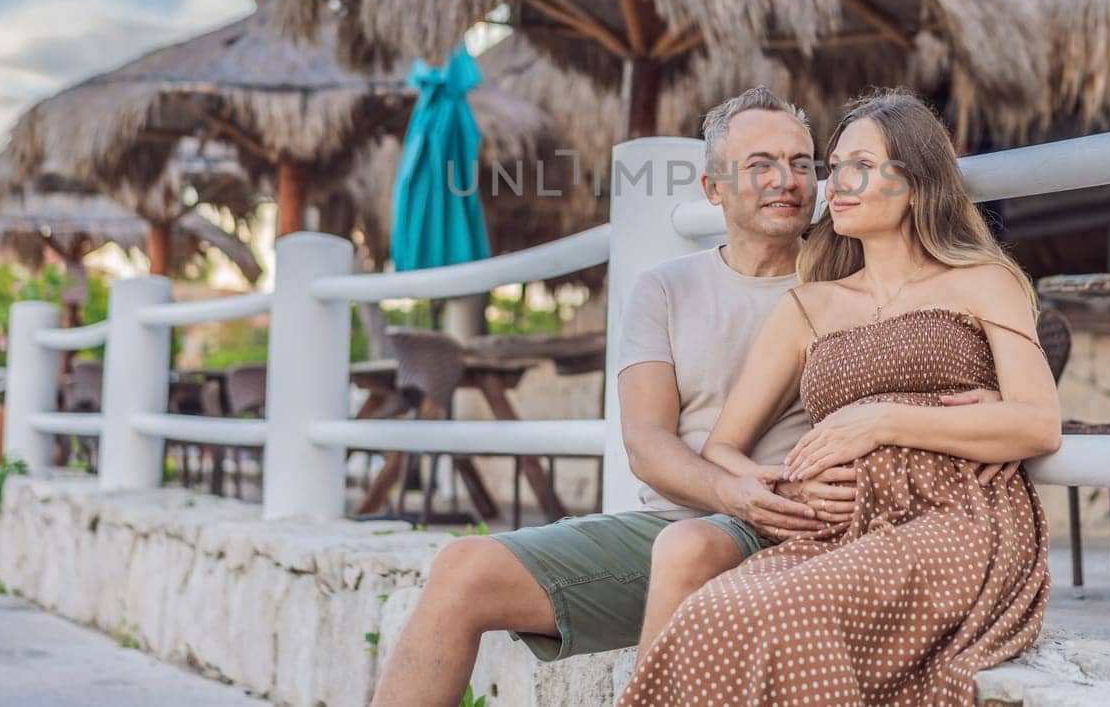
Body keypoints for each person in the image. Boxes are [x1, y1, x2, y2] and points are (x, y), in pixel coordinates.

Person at [370, 87, 844, 707]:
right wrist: (732, 492)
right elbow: (646, 442)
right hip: (672, 526)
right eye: (761, 165)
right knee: (463, 568)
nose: (787, 180)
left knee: (692, 546)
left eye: (802, 163)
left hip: (791, 529)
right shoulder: (665, 288)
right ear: (713, 189)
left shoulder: (845, 282)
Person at [619, 89, 1061, 707]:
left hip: (959, 518)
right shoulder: (809, 304)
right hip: (843, 529)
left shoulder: (985, 281)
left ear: (913, 180)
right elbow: (723, 446)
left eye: (860, 166)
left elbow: (1039, 423)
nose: (836, 184)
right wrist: (783, 492)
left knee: (782, 615)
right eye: (835, 167)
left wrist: (882, 420)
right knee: (714, 610)